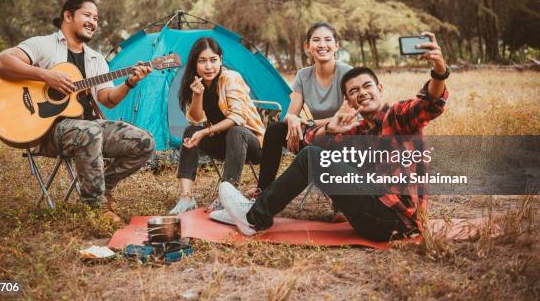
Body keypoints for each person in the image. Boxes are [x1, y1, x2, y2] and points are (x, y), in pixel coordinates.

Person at [218, 32, 449, 241]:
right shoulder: (355, 131)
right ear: (348, 101)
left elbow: (428, 104)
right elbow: (307, 142)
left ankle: (253, 217)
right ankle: (253, 211)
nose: (362, 93)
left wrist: (439, 72)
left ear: (380, 89)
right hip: (371, 216)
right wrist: (329, 128)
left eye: (367, 86)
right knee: (314, 153)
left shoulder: (397, 116)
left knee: (313, 156)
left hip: (394, 220)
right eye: (354, 91)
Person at [0, 0, 155, 224]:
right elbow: (1, 62)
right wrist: (46, 76)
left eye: (96, 18)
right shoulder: (43, 45)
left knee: (145, 142)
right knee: (91, 132)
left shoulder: (96, 59)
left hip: (89, 127)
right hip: (48, 130)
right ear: (68, 15)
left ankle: (101, 186)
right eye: (87, 15)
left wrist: (129, 83)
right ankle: (96, 209)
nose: (93, 22)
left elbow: (107, 98)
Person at [169, 37, 265, 214]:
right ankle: (186, 197)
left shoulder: (230, 78)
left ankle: (226, 199)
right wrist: (197, 95)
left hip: (252, 144)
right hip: (224, 145)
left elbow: (237, 118)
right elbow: (195, 120)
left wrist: (207, 131)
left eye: (213, 60)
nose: (208, 66)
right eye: (202, 61)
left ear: (220, 59)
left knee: (235, 131)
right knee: (191, 131)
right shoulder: (196, 83)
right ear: (194, 63)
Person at [257, 22, 354, 191]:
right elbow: (289, 115)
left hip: (346, 138)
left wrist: (307, 123)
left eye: (327, 40)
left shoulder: (348, 73)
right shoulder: (303, 75)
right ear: (307, 46)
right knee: (275, 130)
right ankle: (262, 191)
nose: (322, 45)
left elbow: (345, 120)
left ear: (336, 46)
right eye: (316, 40)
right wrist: (293, 119)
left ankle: (342, 202)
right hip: (315, 138)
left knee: (341, 134)